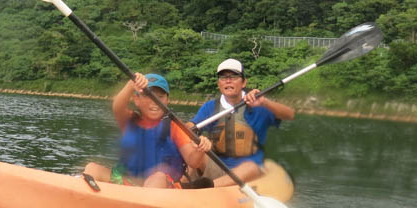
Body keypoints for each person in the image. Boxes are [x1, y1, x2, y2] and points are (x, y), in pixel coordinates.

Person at [83, 72, 212, 188]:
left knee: (158, 178)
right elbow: (118, 107)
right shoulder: (130, 121)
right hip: (128, 181)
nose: (154, 102)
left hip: (163, 186)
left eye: (160, 97)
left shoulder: (174, 127)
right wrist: (130, 86)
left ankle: (138, 204)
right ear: (136, 100)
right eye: (148, 96)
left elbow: (193, 162)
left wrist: (200, 149)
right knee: (92, 168)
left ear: (167, 100)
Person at [187, 58, 294, 187]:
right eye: (223, 77)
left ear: (244, 82)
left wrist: (265, 102)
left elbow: (290, 115)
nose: (228, 80)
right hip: (216, 167)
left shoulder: (257, 104)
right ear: (219, 83)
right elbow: (190, 126)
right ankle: (182, 185)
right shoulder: (210, 107)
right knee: (193, 153)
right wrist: (194, 138)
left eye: (233, 76)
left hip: (246, 173)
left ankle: (208, 186)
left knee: (251, 166)